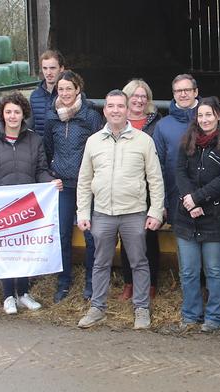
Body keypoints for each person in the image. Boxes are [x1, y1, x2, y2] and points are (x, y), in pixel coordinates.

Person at [76, 90, 164, 330]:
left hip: (134, 212)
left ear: (127, 110)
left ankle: (142, 308)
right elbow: (84, 180)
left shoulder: (143, 140)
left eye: (120, 106)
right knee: (100, 262)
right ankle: (97, 308)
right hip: (102, 212)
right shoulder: (93, 141)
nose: (115, 110)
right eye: (111, 106)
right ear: (105, 110)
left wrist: (155, 211)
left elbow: (155, 179)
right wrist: (83, 213)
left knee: (139, 262)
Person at [0, 92, 61, 314]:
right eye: (8, 112)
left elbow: (40, 170)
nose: (13, 116)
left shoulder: (34, 140)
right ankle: (7, 296)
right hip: (0, 206)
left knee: (23, 249)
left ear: (24, 114)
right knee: (5, 250)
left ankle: (23, 293)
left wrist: (51, 182)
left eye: (17, 112)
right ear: (2, 114)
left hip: (26, 206)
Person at [172, 96, 220, 332]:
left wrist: (198, 198)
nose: (204, 119)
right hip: (187, 216)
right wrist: (190, 200)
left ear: (219, 115)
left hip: (216, 216)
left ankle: (215, 317)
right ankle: (191, 314)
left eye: (209, 114)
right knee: (189, 270)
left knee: (214, 269)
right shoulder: (187, 140)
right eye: (200, 115)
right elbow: (179, 172)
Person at [43, 70, 103, 302]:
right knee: (62, 234)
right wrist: (51, 172)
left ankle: (91, 283)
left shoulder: (90, 117)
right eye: (61, 89)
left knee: (90, 236)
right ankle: (64, 281)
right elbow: (48, 149)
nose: (65, 93)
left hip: (86, 186)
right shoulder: (52, 118)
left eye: (69, 88)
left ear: (78, 89)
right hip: (63, 185)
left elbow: (99, 149)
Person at [118, 78, 162, 301]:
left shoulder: (156, 123)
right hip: (124, 188)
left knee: (149, 237)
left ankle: (151, 283)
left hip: (147, 188)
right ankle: (129, 283)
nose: (139, 100)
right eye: (135, 96)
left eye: (144, 96)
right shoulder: (117, 122)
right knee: (126, 238)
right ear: (127, 98)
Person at [153, 74, 199, 225]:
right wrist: (163, 202)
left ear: (196, 92)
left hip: (210, 200)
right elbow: (157, 166)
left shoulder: (210, 120)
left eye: (187, 89)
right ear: (173, 94)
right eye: (178, 91)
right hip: (176, 199)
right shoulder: (163, 125)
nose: (183, 94)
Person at [30, 50, 65, 137]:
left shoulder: (68, 95)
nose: (48, 73)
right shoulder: (34, 96)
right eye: (45, 68)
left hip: (61, 148)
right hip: (40, 148)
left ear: (61, 68)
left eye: (52, 68)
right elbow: (30, 126)